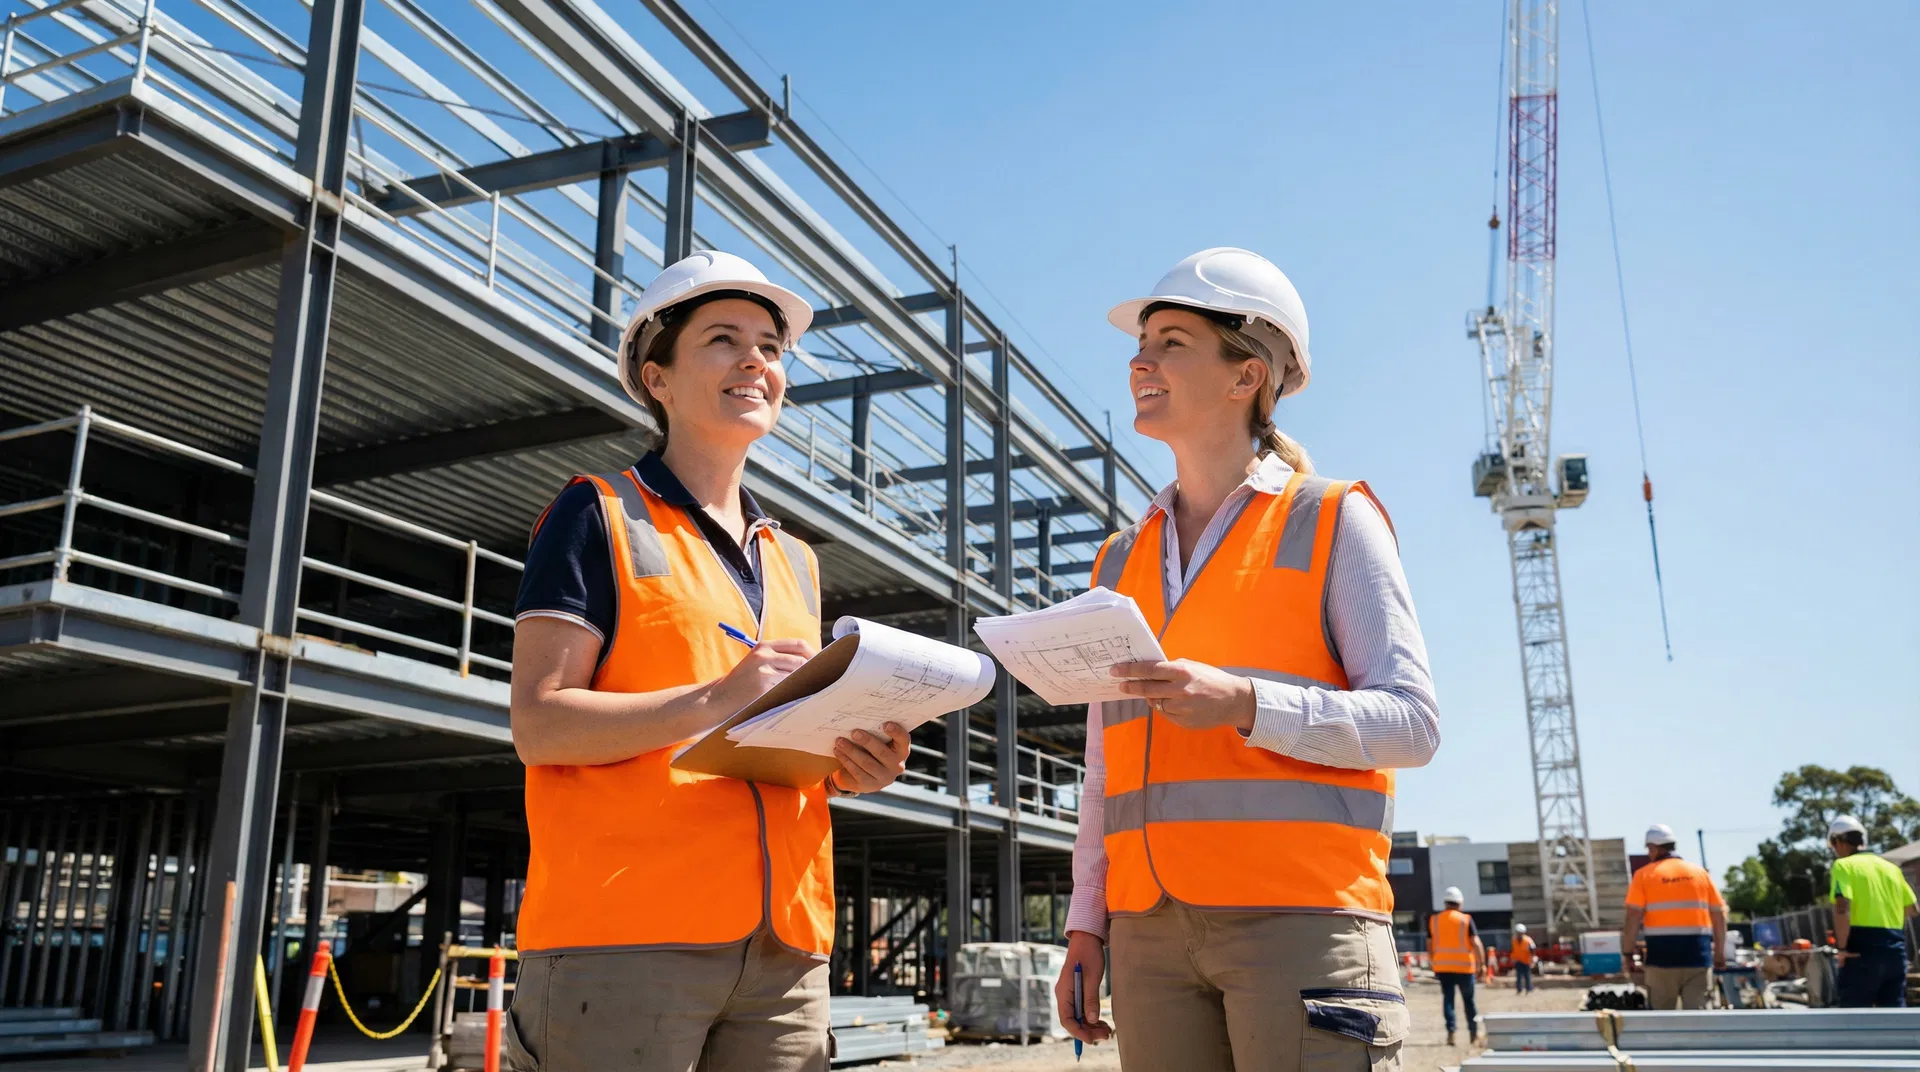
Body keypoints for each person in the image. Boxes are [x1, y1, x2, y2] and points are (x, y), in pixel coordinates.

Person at [505, 251, 914, 1071]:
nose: (755, 360)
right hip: (625, 936)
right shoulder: (597, 513)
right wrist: (715, 699)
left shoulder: (795, 560)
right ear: (656, 378)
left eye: (770, 345)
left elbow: (773, 745)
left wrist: (848, 761)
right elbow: (539, 724)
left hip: (785, 949)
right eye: (723, 339)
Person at [1051, 247, 1441, 1070]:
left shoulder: (1332, 520)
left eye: (1172, 343)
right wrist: (1088, 921)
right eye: (1141, 344)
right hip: (1149, 932)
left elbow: (1412, 726)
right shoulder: (1118, 560)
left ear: (1246, 376)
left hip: (1302, 923)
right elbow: (1103, 769)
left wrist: (1247, 704)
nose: (1140, 361)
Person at [1623, 823, 1727, 1011]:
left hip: (1661, 961)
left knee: (1663, 1020)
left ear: (1654, 848)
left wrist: (1628, 954)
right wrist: (1719, 952)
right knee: (1699, 1019)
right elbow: (1719, 915)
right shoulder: (1699, 873)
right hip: (1698, 959)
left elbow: (1633, 917)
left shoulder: (1644, 875)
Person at [1828, 814, 1918, 1007]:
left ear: (1839, 841)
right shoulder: (1891, 868)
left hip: (1860, 951)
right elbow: (1912, 909)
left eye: (1833, 845)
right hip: (1895, 951)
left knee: (1854, 1018)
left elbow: (1842, 908)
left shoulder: (1844, 866)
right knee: (1894, 1018)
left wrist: (1842, 949)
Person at [1429, 887, 1483, 1046]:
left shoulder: (1434, 920)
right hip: (1465, 968)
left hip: (1443, 968)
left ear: (1445, 903)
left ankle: (1451, 1032)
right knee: (1469, 1001)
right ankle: (1473, 1033)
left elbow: (1429, 944)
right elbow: (1476, 943)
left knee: (1448, 1000)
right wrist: (1482, 964)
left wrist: (1433, 961)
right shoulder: (1465, 919)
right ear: (1460, 903)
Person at [1511, 922, 1536, 995]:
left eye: (1520, 933)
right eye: (1518, 932)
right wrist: (1513, 958)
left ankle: (1528, 989)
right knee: (1518, 976)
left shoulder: (1528, 940)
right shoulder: (1514, 940)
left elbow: (1532, 950)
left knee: (1527, 976)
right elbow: (1513, 950)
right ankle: (1519, 990)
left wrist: (1532, 959)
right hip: (1518, 961)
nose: (1519, 934)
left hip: (1526, 961)